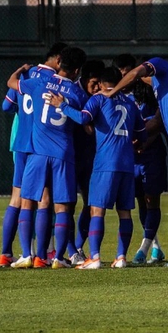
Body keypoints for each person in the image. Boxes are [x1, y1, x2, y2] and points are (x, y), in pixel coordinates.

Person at [99, 56, 168, 268]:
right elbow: (156, 118)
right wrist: (139, 137)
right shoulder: (161, 84)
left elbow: (135, 75)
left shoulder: (161, 65)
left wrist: (112, 91)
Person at [52, 66, 144, 269]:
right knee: (125, 212)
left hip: (105, 163)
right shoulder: (130, 103)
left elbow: (83, 118)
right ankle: (121, 257)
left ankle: (94, 257)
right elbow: (141, 131)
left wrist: (63, 106)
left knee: (97, 210)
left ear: (101, 84)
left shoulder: (99, 99)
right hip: (127, 164)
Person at [7, 45, 88, 269]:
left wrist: (18, 71)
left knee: (28, 202)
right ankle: (59, 258)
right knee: (62, 207)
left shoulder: (40, 82)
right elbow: (84, 118)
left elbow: (12, 84)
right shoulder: (78, 93)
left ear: (60, 63)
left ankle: (28, 255)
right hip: (63, 154)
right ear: (77, 70)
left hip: (37, 152)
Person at [0, 43, 64, 266]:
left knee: (18, 198)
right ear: (58, 60)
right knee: (44, 199)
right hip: (40, 145)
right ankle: (41, 256)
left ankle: (7, 254)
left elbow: (6, 107)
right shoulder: (53, 81)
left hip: (20, 143)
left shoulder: (26, 74)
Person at [115, 53, 167, 265]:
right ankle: (155, 246)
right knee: (140, 202)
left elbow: (159, 120)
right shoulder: (116, 97)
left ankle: (143, 249)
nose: (125, 79)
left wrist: (143, 140)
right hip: (130, 158)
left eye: (128, 74)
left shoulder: (149, 92)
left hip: (151, 155)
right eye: (121, 75)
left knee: (151, 199)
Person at [68, 58, 105, 265]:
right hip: (71, 155)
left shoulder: (100, 96)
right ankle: (70, 249)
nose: (97, 87)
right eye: (94, 83)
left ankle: (79, 247)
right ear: (84, 78)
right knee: (68, 203)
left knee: (91, 202)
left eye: (100, 83)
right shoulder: (72, 93)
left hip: (91, 155)